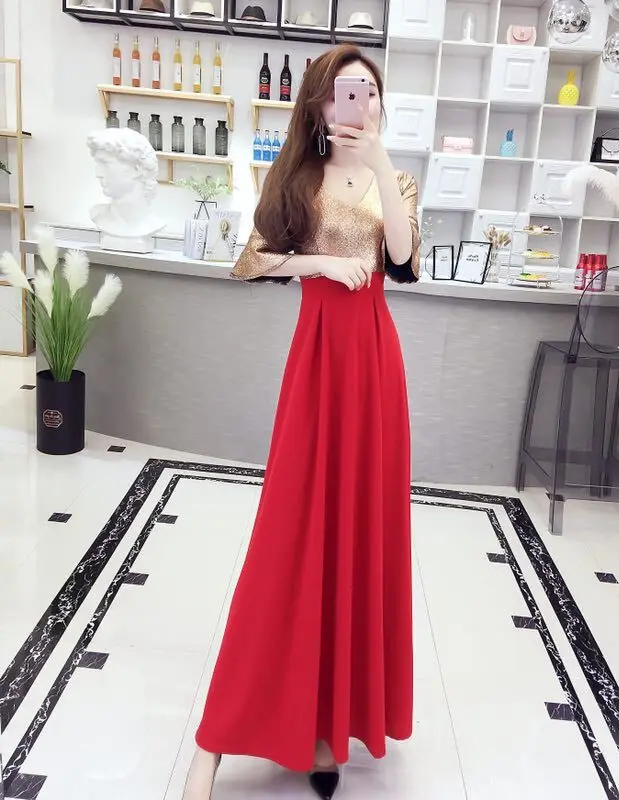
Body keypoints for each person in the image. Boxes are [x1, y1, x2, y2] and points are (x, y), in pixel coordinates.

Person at [182, 43, 420, 800]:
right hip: (317, 364)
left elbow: (405, 259)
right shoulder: (298, 177)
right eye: (346, 91)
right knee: (290, 535)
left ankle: (326, 728)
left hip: (374, 367)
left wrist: (380, 161)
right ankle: (218, 736)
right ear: (318, 103)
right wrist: (318, 264)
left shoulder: (395, 179)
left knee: (359, 534)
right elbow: (251, 260)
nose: (360, 103)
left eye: (370, 91)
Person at [86, 127, 164, 239]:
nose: (98, 174)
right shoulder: (98, 216)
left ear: (136, 169)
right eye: (98, 165)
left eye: (105, 164)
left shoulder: (152, 224)